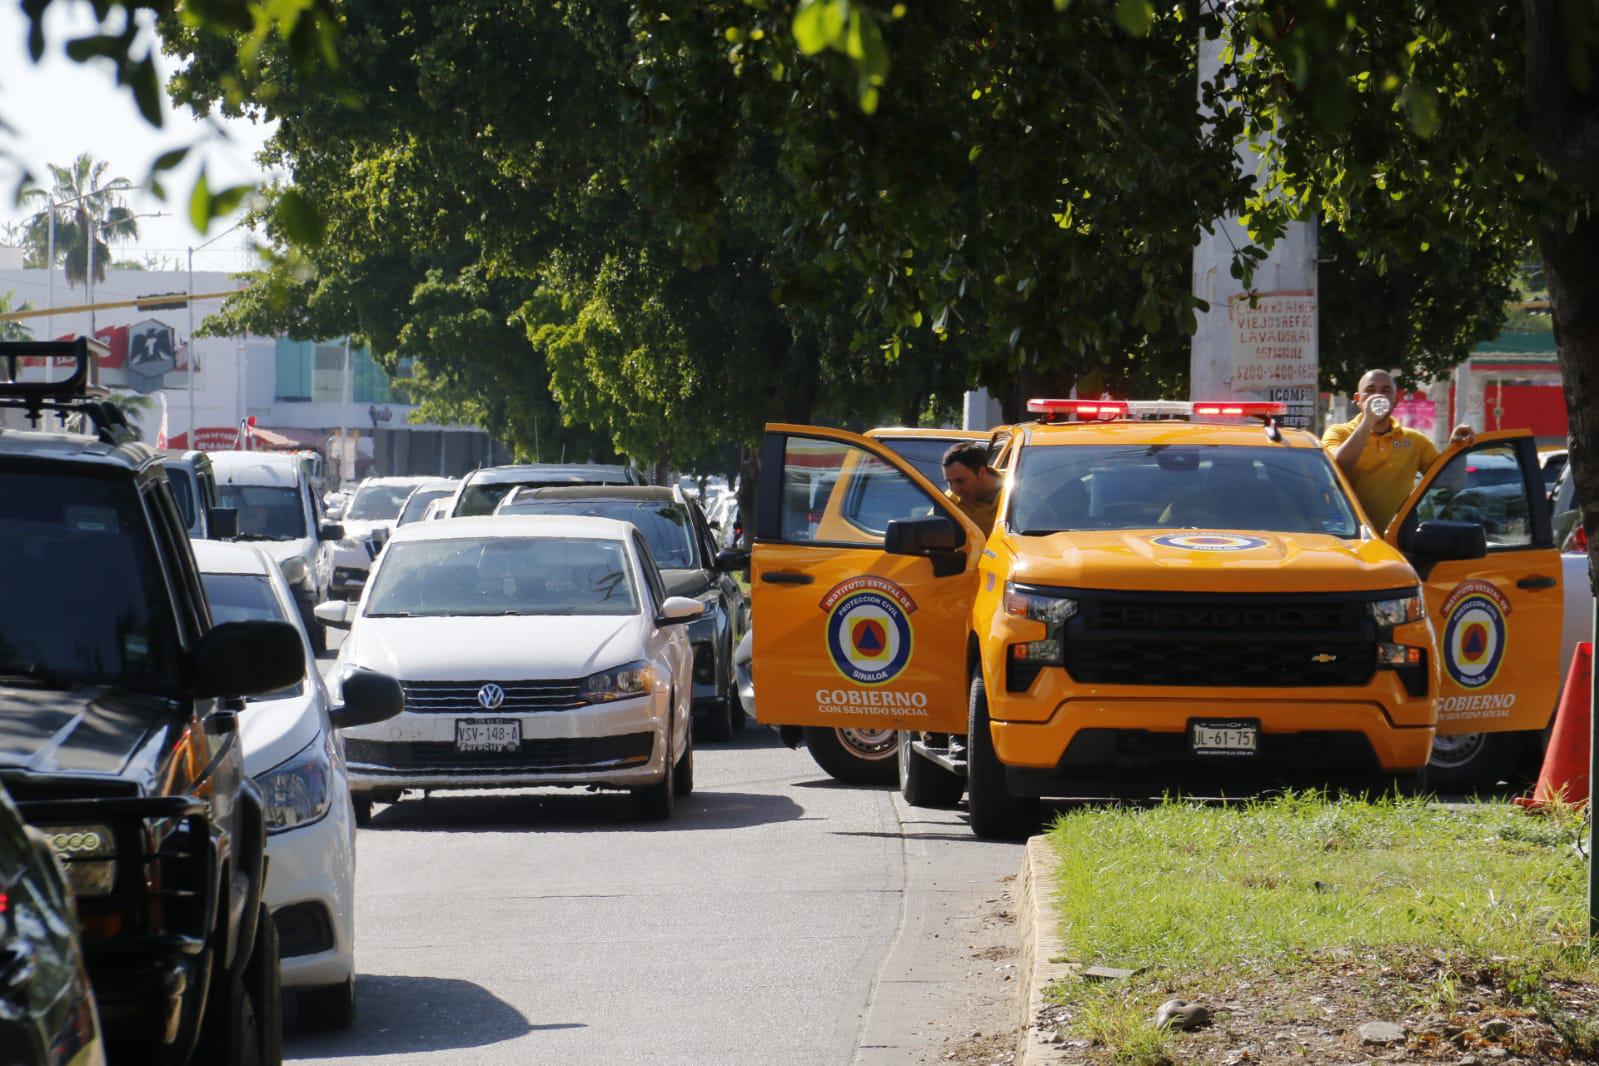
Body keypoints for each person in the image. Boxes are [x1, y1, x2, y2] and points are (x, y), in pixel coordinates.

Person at [1322, 370, 1474, 531]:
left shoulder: (1415, 440)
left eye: (1386, 391)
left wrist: (1456, 448)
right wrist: (1368, 421)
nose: (1378, 397)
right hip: (1349, 537)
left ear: (1395, 400)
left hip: (1394, 541)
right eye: (1370, 391)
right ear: (1358, 399)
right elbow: (1336, 467)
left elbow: (1450, 482)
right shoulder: (1338, 433)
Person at [942, 442, 1002, 535]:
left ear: (981, 472)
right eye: (949, 482)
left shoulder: (1019, 494)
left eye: (960, 481)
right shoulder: (950, 503)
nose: (955, 490)